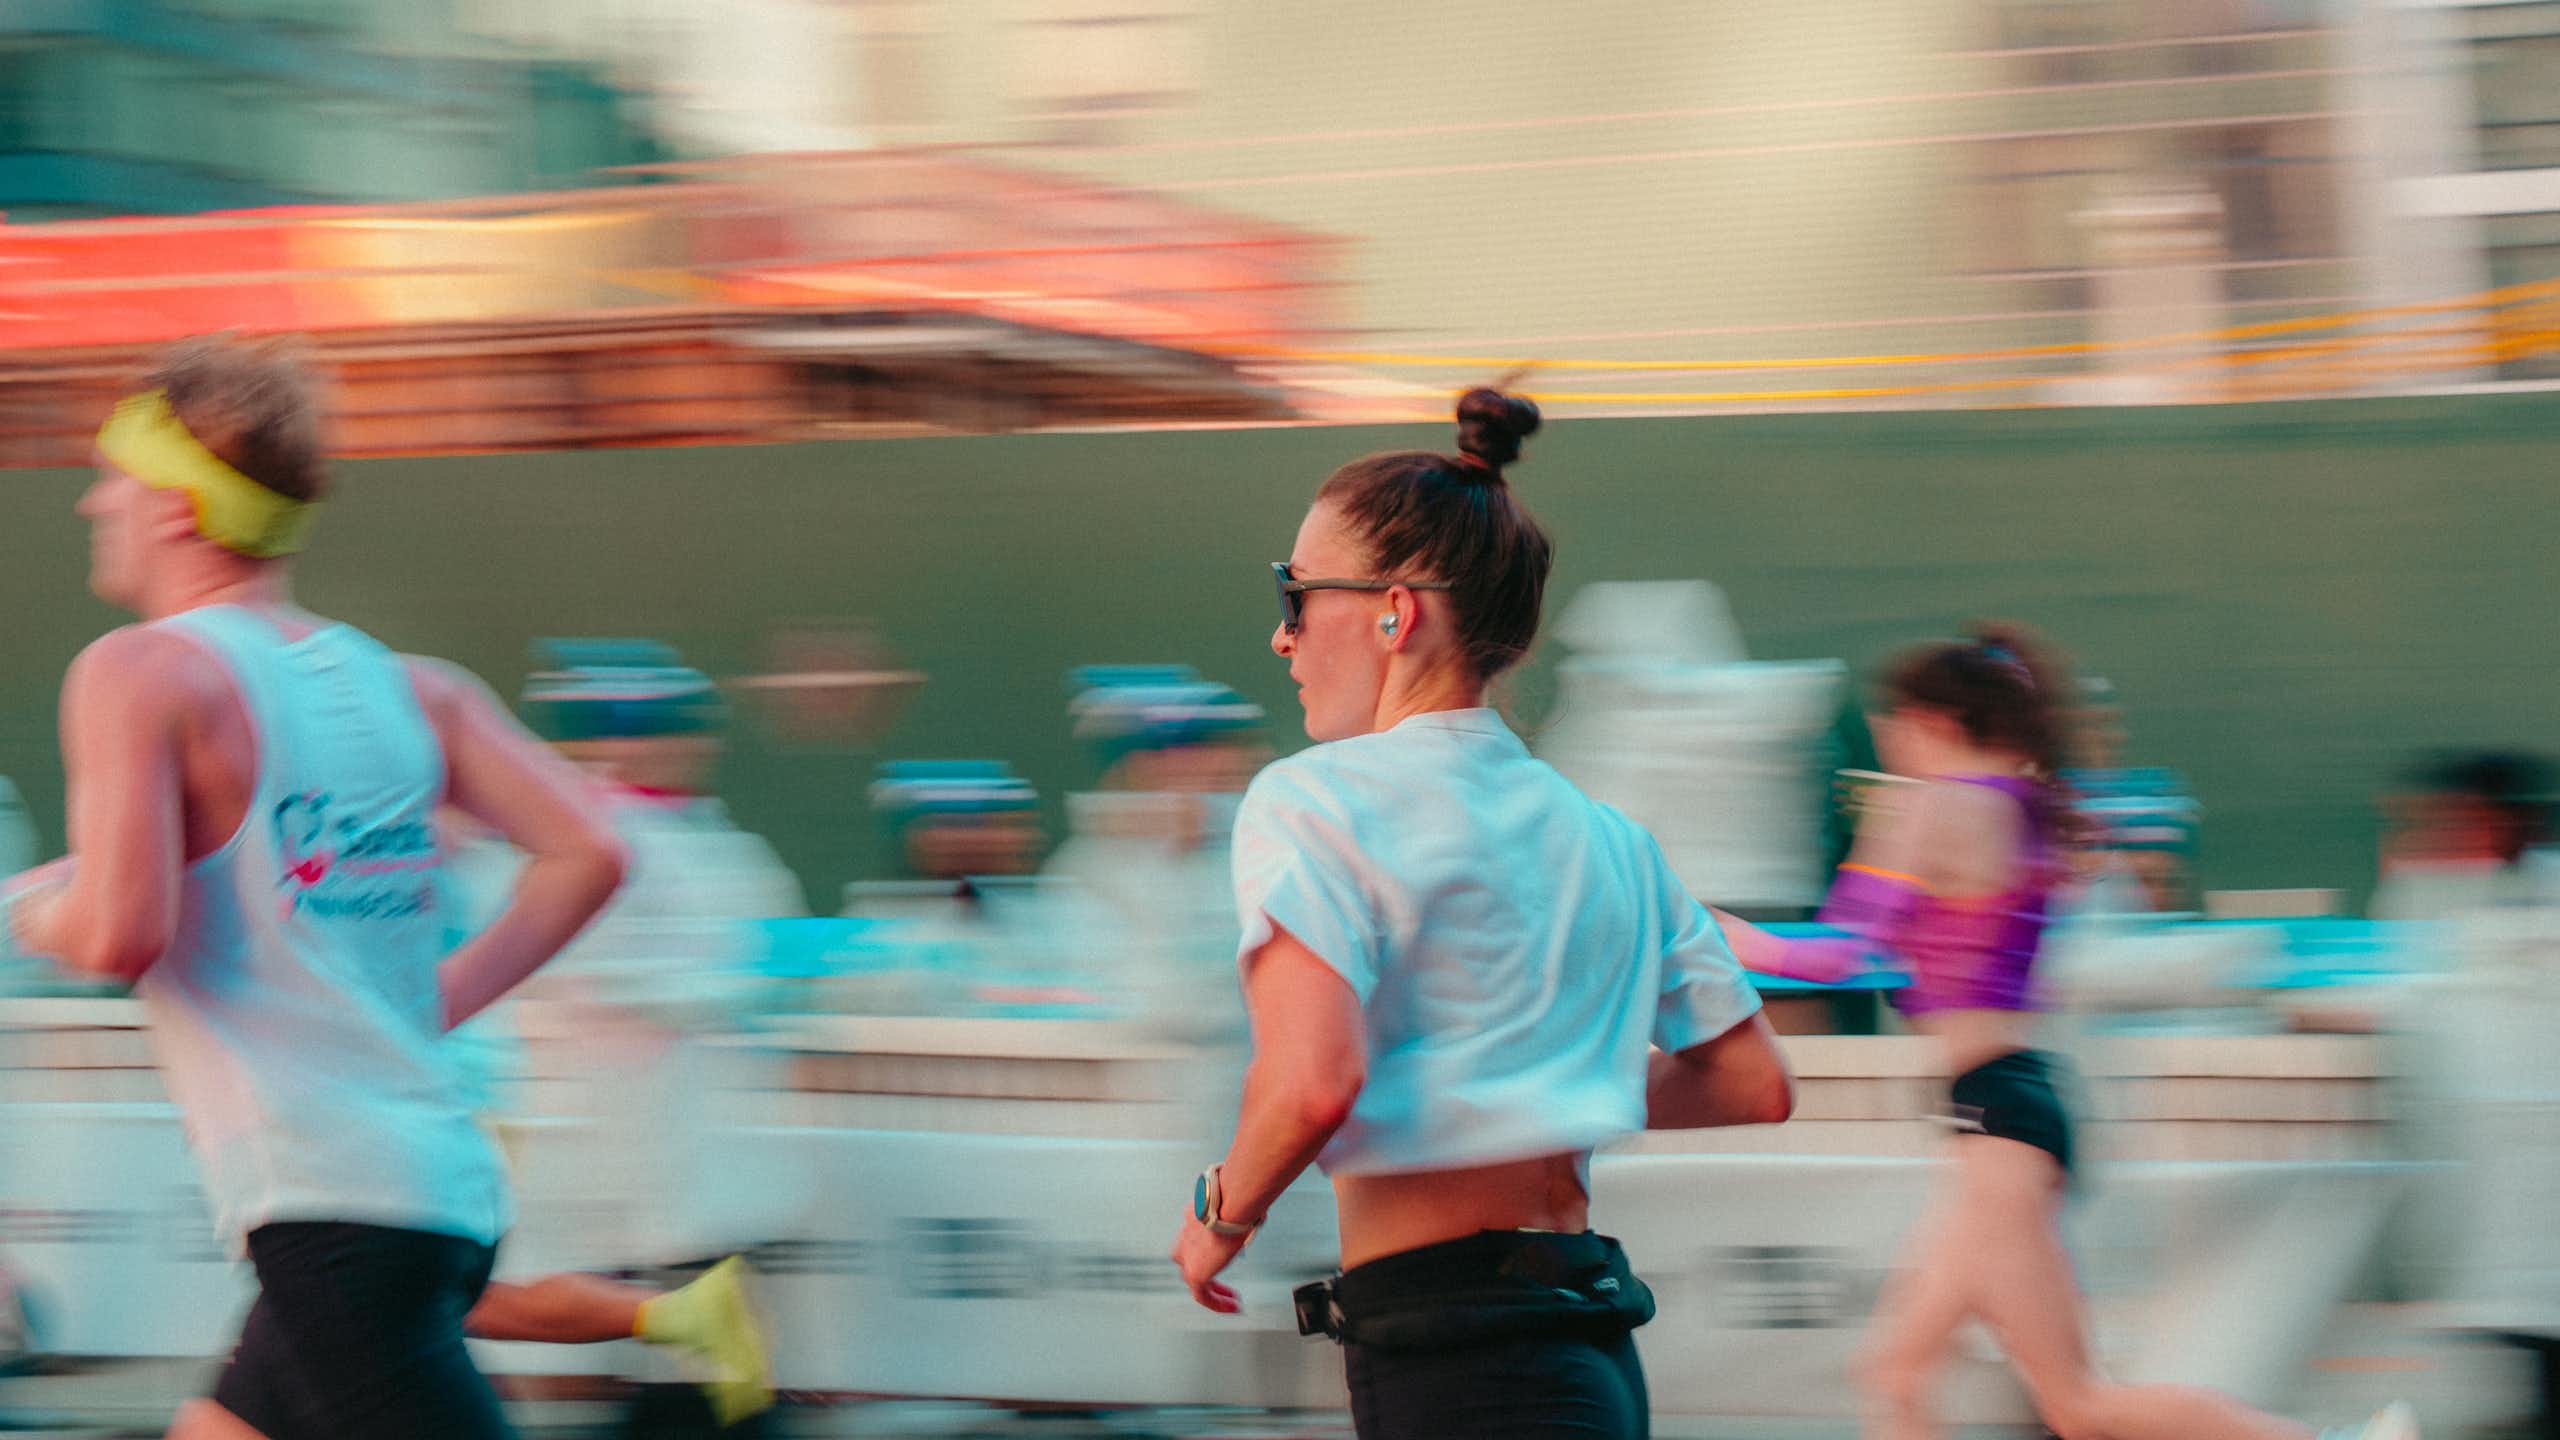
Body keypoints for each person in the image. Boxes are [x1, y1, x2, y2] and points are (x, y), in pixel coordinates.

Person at [0, 336, 628, 1439]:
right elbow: (591, 853)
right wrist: (427, 1004)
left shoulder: (139, 673)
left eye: (114, 478)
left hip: (331, 1213)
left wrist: (27, 905)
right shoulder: (411, 688)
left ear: (178, 508)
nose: (92, 504)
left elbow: (118, 935)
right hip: (428, 1195)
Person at [1167, 388, 1796, 1440]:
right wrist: (1541, 1075)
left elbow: (1313, 1080)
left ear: (1393, 611)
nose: (1283, 640)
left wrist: (1218, 1216)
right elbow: (1751, 1082)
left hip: (1452, 1353)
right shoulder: (1610, 838)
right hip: (1588, 1335)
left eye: (1294, 597)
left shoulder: (1312, 800)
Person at [1726, 622, 2415, 1440]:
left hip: (1999, 1127)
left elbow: (1835, 956)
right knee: (1908, 1375)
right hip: (2014, 1111)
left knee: (2067, 1403)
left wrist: (1695, 927)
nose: (1890, 747)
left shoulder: (1932, 807)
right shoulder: (2025, 807)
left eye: (1893, 728)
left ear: (1932, 720)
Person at [447, 641, 793, 1427]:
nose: (641, 745)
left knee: (677, 1323)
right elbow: (597, 970)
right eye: (621, 727)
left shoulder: (718, 840)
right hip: (597, 1120)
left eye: (658, 727)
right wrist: (733, 985)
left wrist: (766, 976)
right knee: (593, 1325)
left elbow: (764, 936)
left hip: (688, 1128)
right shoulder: (577, 834)